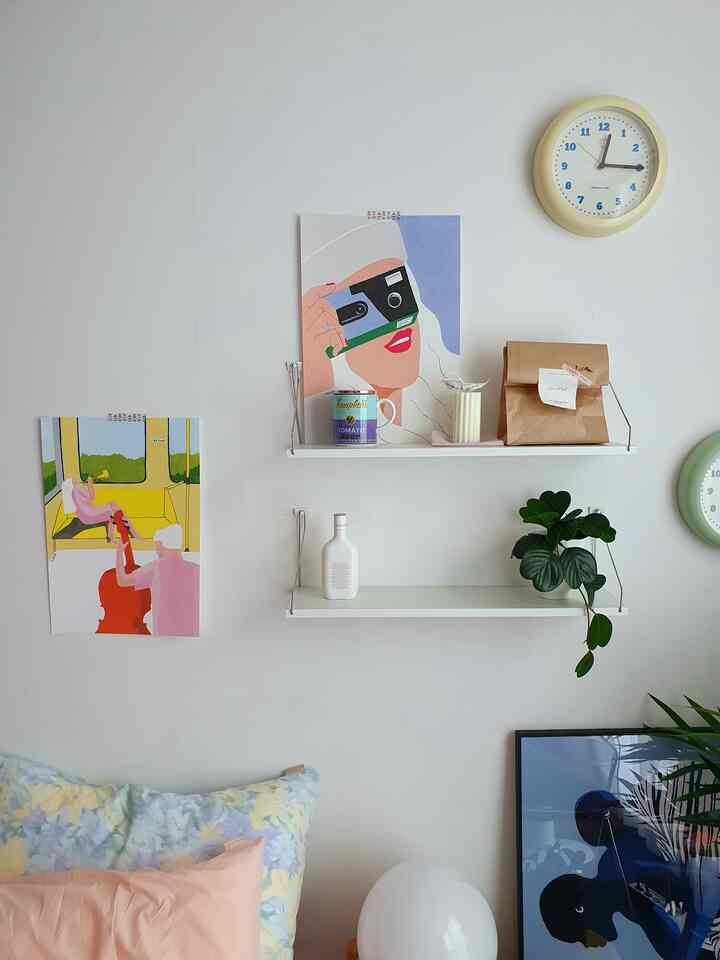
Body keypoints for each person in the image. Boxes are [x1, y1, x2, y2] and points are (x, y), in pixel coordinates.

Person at [301, 216, 460, 444]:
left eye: (395, 296)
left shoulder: (450, 390)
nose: (397, 324)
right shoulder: (328, 384)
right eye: (361, 310)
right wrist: (316, 371)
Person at [540, 790, 720, 959]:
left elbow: (708, 882)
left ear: (580, 908)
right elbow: (668, 942)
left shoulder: (617, 863)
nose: (588, 944)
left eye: (581, 935)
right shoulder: (627, 898)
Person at [114, 524, 199, 637]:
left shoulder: (156, 567)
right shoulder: (196, 569)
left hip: (163, 637)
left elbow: (122, 581)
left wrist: (119, 553)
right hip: (192, 636)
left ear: (160, 544)